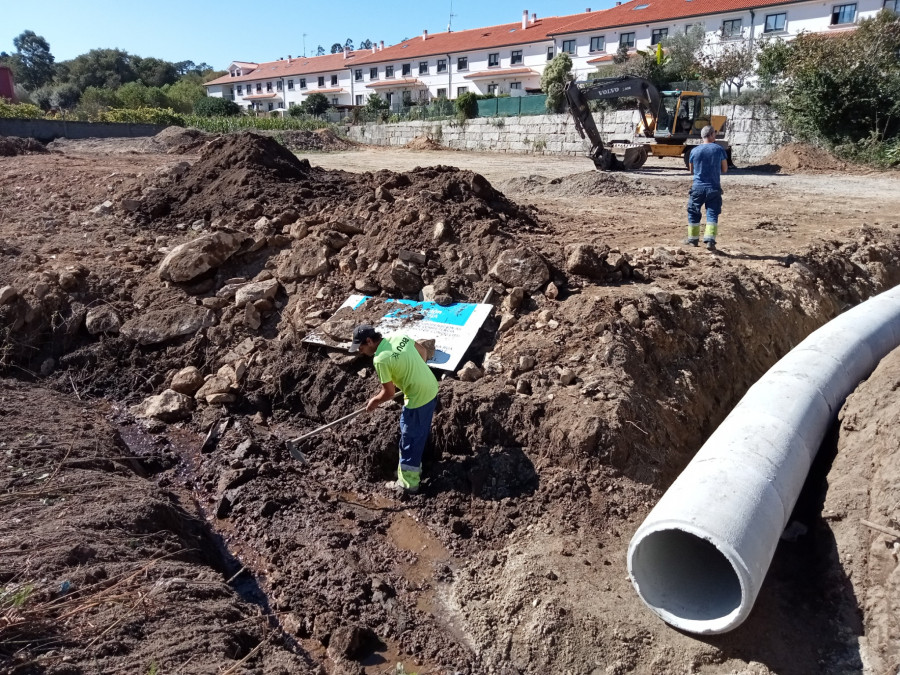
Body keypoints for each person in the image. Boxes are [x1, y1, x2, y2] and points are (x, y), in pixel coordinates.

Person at [349, 325, 438, 494]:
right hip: (431, 387)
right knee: (418, 434)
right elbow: (422, 352)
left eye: (361, 347)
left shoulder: (380, 359)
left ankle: (408, 484)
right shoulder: (399, 336)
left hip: (418, 399)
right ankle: (414, 469)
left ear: (369, 341)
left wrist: (374, 401)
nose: (360, 351)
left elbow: (389, 393)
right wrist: (415, 375)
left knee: (409, 439)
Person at [685, 125, 729, 251]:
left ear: (702, 136)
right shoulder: (719, 149)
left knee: (693, 212)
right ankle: (710, 240)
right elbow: (725, 169)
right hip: (713, 188)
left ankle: (693, 239)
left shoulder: (694, 151)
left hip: (697, 187)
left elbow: (691, 170)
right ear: (712, 135)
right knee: (712, 213)